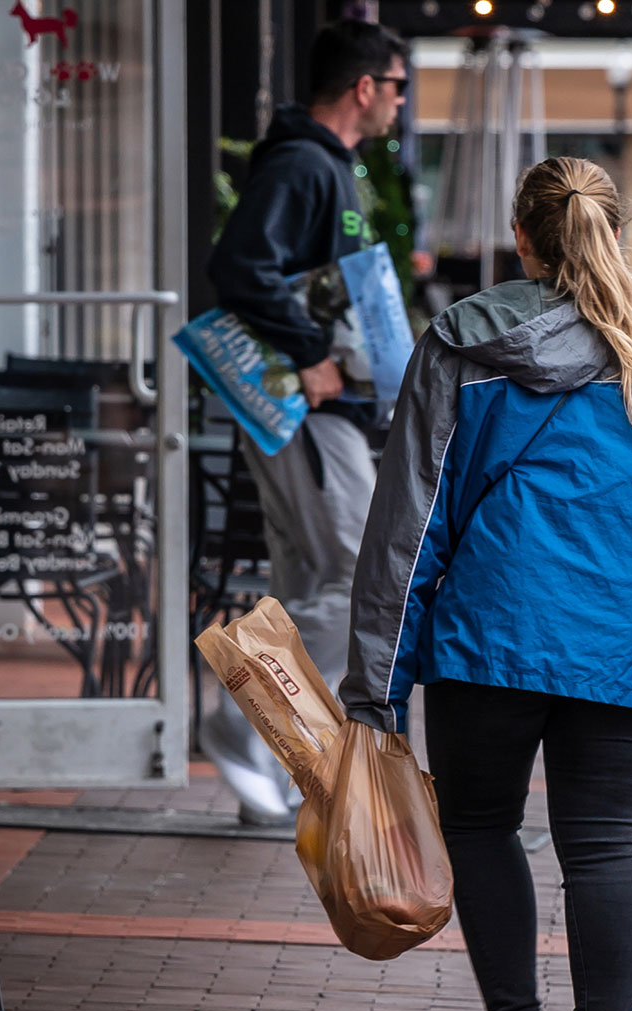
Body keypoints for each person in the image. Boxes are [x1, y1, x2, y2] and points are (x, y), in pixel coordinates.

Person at [341, 157, 632, 1011]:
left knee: (481, 828)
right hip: (627, 648)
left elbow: (411, 522)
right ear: (614, 234)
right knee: (602, 847)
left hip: (490, 638)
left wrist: (375, 685)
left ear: (521, 237)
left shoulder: (460, 346)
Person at [207, 18, 409, 695]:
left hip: (317, 407)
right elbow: (240, 267)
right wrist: (313, 350)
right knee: (362, 580)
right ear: (364, 86)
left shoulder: (324, 165)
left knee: (311, 581)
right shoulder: (302, 164)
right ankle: (243, 719)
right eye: (397, 86)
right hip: (308, 404)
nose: (400, 101)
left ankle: (273, 766)